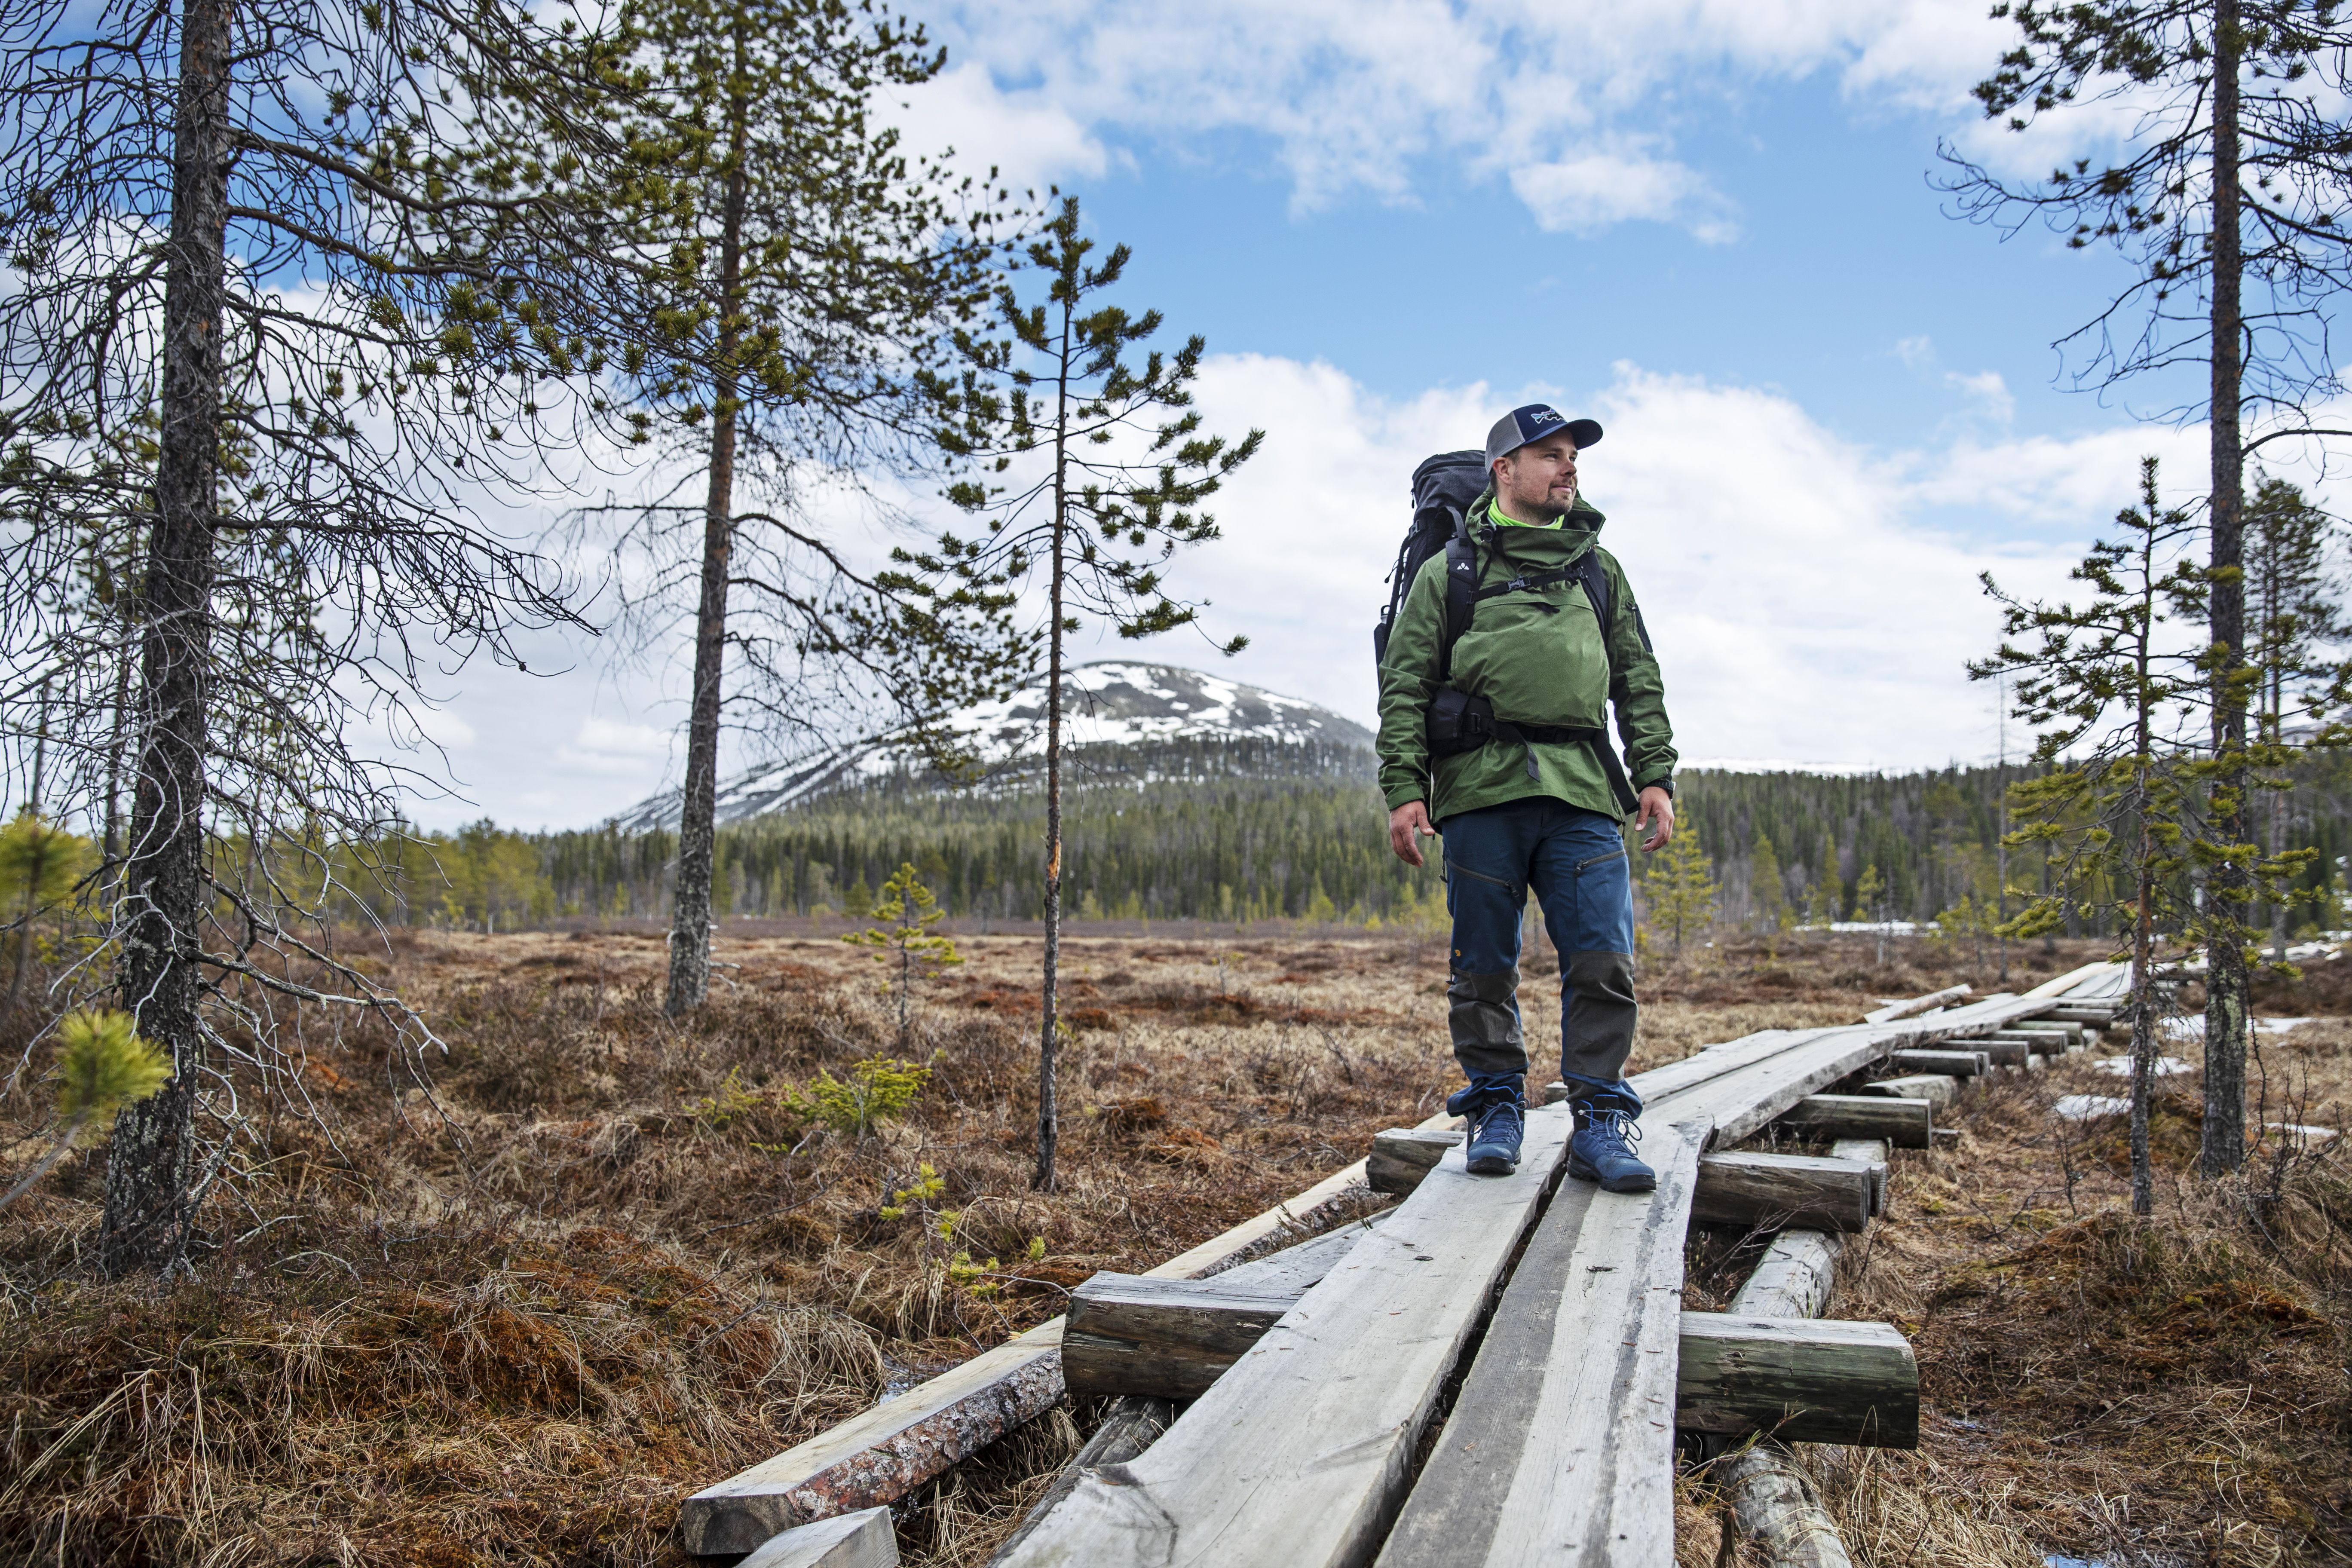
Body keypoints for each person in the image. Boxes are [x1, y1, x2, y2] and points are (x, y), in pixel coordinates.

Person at [1374, 403, 1678, 1191]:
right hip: (1481, 792)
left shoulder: (1600, 571)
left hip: (1583, 793)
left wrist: (1654, 773)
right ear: (1503, 470)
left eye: (1573, 455)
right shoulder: (1451, 572)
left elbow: (1637, 677)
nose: (1568, 467)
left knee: (1604, 961)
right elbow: (1405, 687)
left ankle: (1601, 1120)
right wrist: (1405, 789)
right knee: (1483, 965)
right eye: (1550, 454)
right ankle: (1496, 1105)